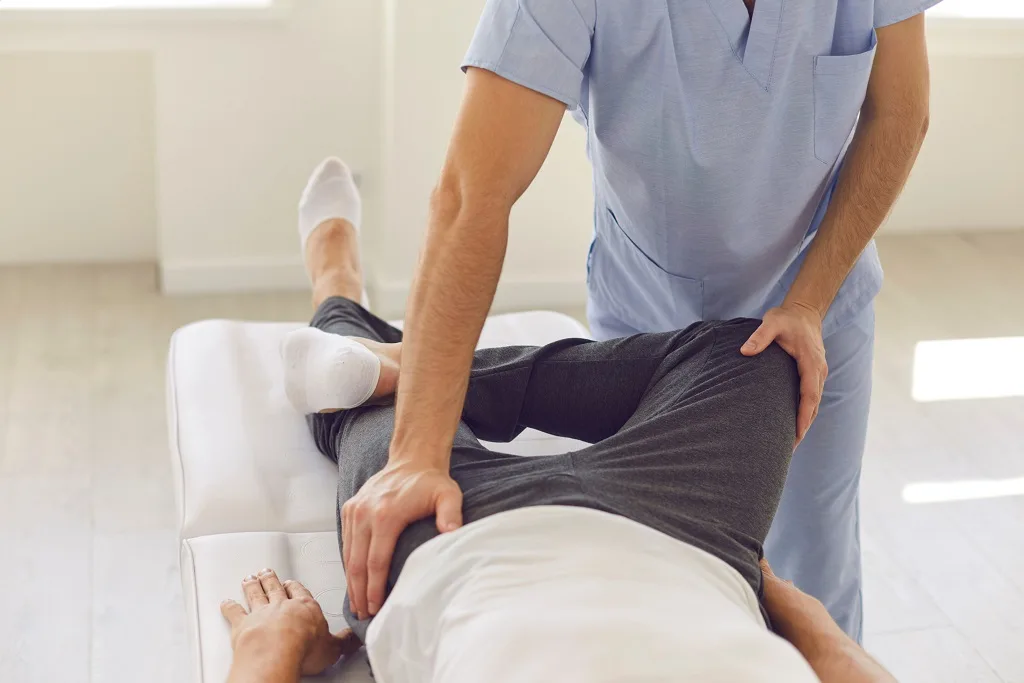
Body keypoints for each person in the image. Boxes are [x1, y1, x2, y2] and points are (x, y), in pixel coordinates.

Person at [341, 0, 938, 641]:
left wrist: (809, 302)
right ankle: (340, 281)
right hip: (648, 326)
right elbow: (471, 194)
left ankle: (346, 298)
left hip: (817, 307)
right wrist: (415, 454)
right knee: (654, 564)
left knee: (817, 571)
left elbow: (900, 113)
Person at [221, 160, 898, 682]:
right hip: (690, 540)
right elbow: (850, 667)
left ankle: (337, 285)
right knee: (762, 355)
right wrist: (784, 599)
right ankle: (405, 362)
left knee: (360, 403)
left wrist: (269, 650)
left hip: (455, 549)